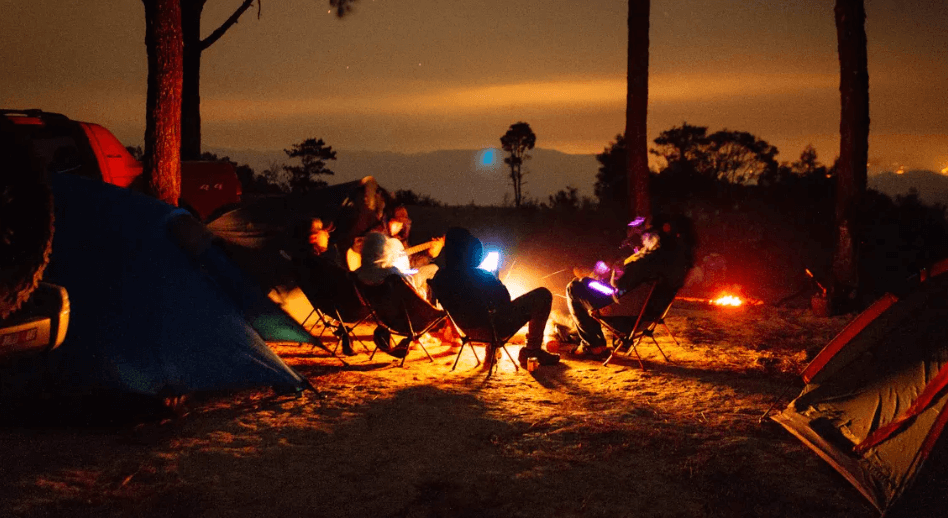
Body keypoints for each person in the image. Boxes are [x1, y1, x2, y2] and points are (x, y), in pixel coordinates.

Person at [566, 215, 696, 357]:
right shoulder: (678, 262)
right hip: (649, 317)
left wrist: (615, 273)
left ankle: (593, 345)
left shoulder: (648, 259)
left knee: (575, 286)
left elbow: (618, 286)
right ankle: (608, 342)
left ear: (656, 235)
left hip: (625, 318)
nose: (643, 236)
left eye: (646, 233)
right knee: (588, 282)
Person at [432, 227, 560, 369]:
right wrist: (494, 279)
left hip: (466, 331)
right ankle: (531, 350)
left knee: (485, 314)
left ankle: (491, 351)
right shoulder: (480, 276)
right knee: (542, 295)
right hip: (494, 330)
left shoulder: (440, 277)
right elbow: (505, 300)